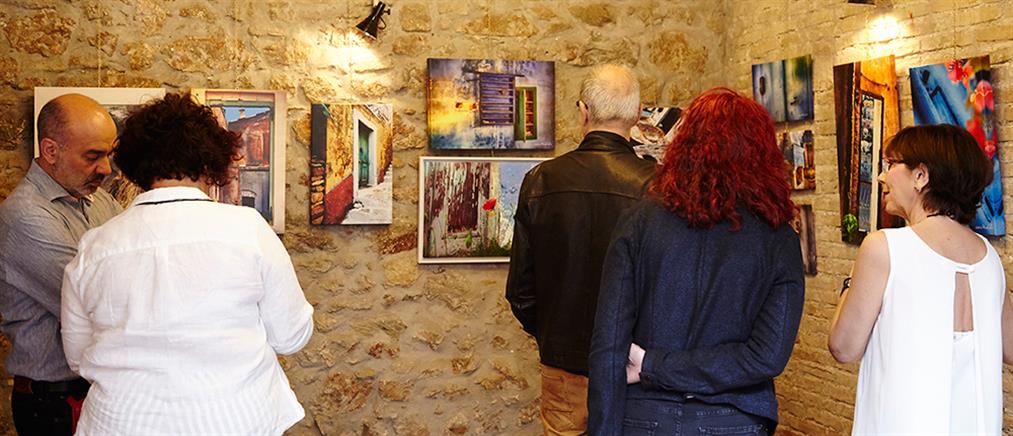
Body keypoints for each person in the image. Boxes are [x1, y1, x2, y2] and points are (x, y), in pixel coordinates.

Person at [60, 92, 314, 435]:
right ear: (211, 161)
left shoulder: (94, 247)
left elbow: (78, 357)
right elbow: (291, 336)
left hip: (122, 423)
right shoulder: (247, 229)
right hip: (232, 420)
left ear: (136, 165)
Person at [588, 88, 804, 435]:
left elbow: (609, 343)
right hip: (733, 418)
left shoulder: (640, 221)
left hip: (645, 415)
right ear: (763, 153)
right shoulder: (778, 239)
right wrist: (652, 365)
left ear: (684, 145)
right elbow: (766, 356)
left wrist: (652, 366)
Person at [828, 124, 1009, 434]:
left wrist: (851, 281)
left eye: (890, 164)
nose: (882, 177)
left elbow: (843, 347)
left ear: (921, 176)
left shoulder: (886, 247)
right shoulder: (989, 258)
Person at [506, 64, 656, 435]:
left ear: (583, 111)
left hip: (564, 368)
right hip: (633, 371)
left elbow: (521, 291)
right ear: (638, 114)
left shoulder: (541, 180)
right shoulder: (658, 186)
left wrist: (554, 338)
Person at [0, 93, 121, 435]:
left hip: (91, 393)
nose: (106, 169)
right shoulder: (25, 216)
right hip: (53, 403)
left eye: (108, 155)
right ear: (51, 150)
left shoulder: (99, 201)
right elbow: (98, 303)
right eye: (93, 156)